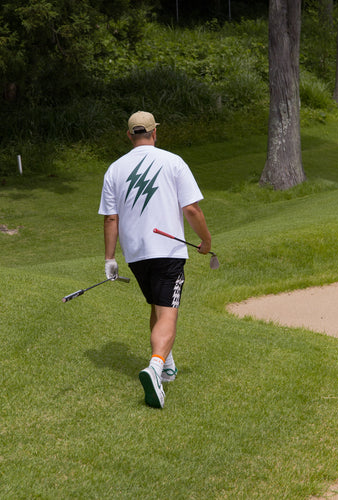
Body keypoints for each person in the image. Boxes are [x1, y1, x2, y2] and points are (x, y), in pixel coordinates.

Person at [98, 111, 212, 409]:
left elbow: (111, 218)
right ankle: (155, 367)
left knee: (158, 307)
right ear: (154, 133)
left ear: (129, 135)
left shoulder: (114, 169)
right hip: (168, 252)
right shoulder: (173, 161)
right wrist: (206, 240)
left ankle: (167, 365)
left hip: (136, 255)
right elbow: (191, 210)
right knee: (169, 313)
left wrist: (110, 259)